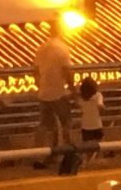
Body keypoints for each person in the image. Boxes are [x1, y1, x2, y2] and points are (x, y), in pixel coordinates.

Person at [34, 19, 77, 155]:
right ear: (61, 30)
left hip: (43, 93)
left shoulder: (42, 47)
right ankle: (68, 152)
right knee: (66, 122)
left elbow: (35, 70)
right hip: (58, 92)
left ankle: (42, 154)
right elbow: (67, 71)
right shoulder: (62, 48)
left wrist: (40, 85)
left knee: (46, 125)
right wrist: (72, 89)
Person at [76, 76, 104, 155]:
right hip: (97, 125)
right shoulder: (98, 95)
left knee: (87, 148)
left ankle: (87, 163)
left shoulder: (80, 98)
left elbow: (78, 105)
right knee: (99, 147)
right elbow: (100, 105)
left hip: (85, 126)